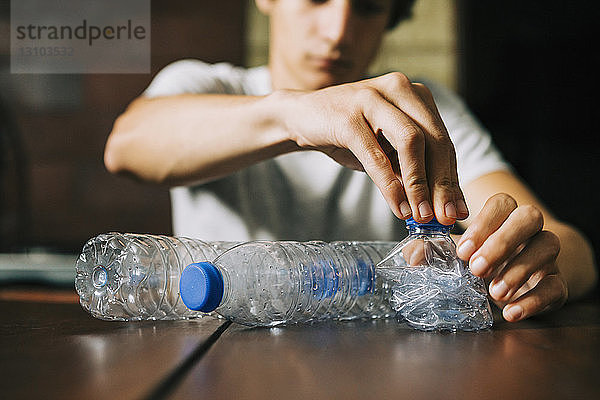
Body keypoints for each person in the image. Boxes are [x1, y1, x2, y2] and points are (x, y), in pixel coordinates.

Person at [104, 0, 596, 322]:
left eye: (367, 7)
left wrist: (531, 264)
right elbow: (126, 146)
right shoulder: (206, 87)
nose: (338, 30)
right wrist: (296, 116)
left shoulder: (419, 110)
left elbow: (572, 248)